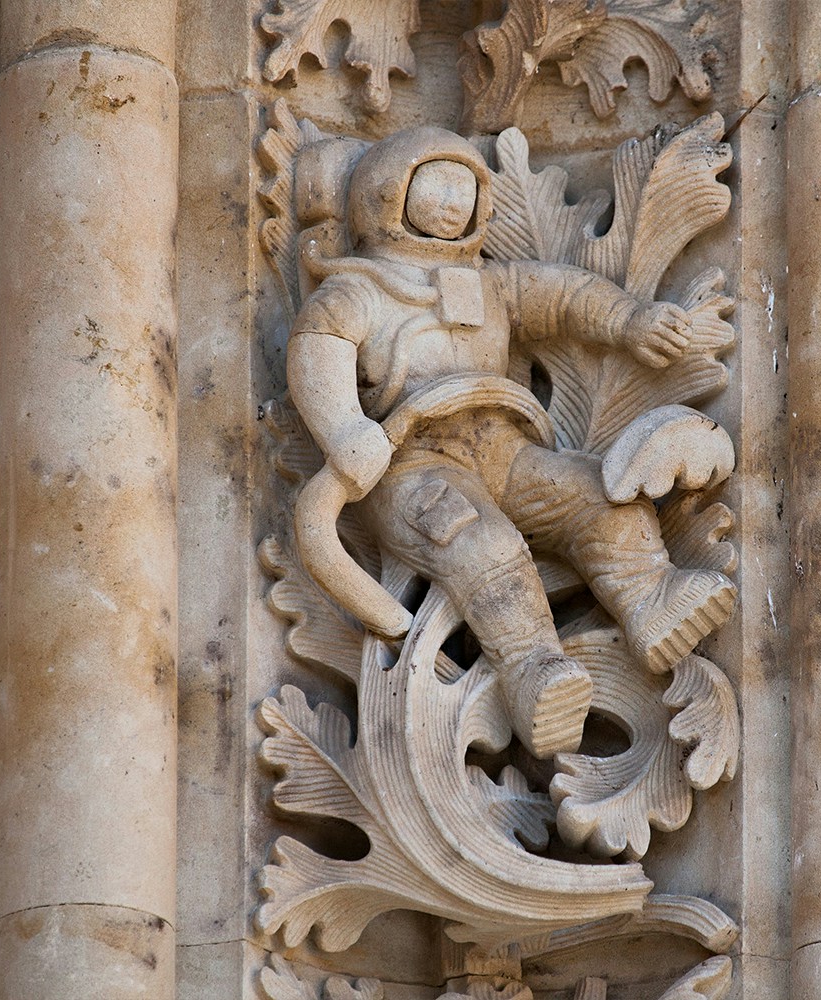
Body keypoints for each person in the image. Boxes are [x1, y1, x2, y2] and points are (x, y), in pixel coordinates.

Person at [287, 126, 736, 757]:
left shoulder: (491, 283)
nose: (450, 201)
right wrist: (343, 428)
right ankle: (534, 675)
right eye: (433, 184)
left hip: (505, 446)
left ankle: (649, 598)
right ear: (387, 195)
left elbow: (563, 296)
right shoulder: (358, 289)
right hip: (413, 466)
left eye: (464, 187)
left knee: (593, 493)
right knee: (481, 543)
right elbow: (317, 352)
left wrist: (629, 321)